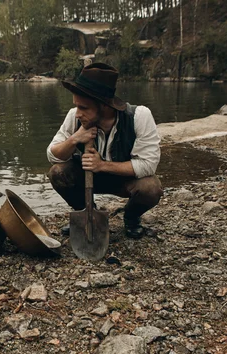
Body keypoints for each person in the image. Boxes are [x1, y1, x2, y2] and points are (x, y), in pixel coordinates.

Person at [46, 62, 163, 238]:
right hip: (86, 179)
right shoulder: (74, 117)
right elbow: (52, 155)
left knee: (151, 188)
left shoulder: (139, 116)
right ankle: (86, 213)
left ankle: (131, 218)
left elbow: (148, 165)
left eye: (83, 107)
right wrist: (74, 139)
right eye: (76, 106)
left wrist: (102, 165)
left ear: (105, 105)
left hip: (125, 181)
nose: (77, 113)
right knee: (57, 172)